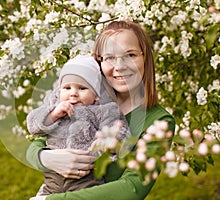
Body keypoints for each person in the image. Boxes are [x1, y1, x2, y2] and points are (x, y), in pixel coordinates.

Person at [26, 20, 176, 200]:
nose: (119, 66)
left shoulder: (159, 121)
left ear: (145, 58)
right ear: (99, 63)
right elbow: (38, 142)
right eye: (110, 58)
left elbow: (132, 188)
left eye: (130, 55)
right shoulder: (86, 99)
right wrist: (45, 159)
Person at [26, 55, 131, 195]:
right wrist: (53, 114)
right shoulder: (56, 108)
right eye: (67, 88)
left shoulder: (102, 110)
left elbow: (119, 130)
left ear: (96, 95)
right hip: (53, 179)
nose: (73, 94)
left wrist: (110, 143)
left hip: (85, 179)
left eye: (82, 88)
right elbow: (33, 126)